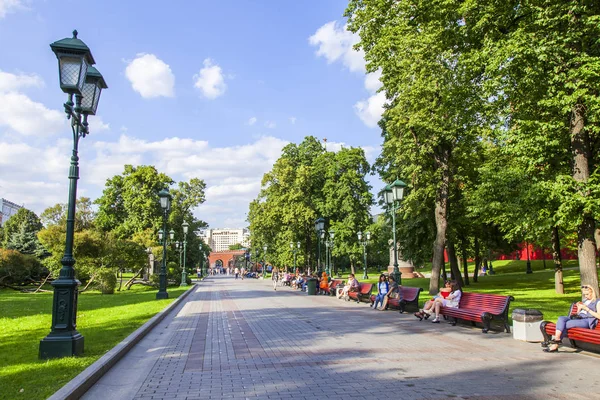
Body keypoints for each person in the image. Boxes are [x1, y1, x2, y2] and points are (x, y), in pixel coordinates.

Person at [543, 284, 600, 352]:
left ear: (592, 293)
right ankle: (557, 339)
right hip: (578, 318)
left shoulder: (597, 302)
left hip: (587, 321)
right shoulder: (585, 301)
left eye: (587, 294)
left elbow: (598, 316)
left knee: (566, 324)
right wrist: (579, 308)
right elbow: (578, 314)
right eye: (584, 294)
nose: (586, 296)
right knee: (561, 318)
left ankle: (555, 344)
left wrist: (587, 309)